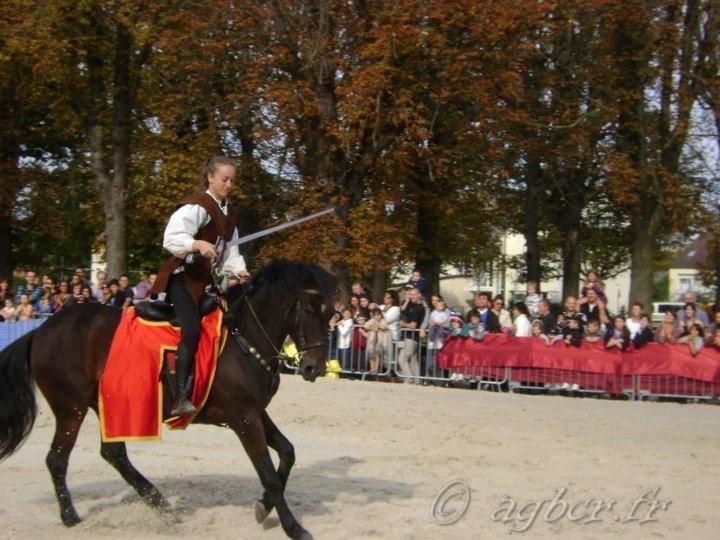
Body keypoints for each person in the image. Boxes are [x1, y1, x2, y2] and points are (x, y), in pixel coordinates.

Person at [150, 155, 249, 417]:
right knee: (191, 330)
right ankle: (180, 396)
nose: (229, 184)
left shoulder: (230, 215)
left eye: (232, 180)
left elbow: (230, 252)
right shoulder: (198, 207)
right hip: (183, 279)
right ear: (211, 177)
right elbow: (171, 237)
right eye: (225, 179)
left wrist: (239, 269)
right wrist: (196, 245)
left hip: (206, 283)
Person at [397, 286, 426, 383]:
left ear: (419, 295)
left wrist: (403, 324)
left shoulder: (419, 308)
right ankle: (417, 380)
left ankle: (409, 378)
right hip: (410, 337)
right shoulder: (412, 305)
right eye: (410, 294)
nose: (411, 296)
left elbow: (413, 325)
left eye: (414, 295)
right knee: (413, 360)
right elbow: (402, 311)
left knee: (402, 358)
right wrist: (407, 300)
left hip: (411, 337)